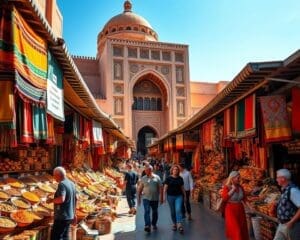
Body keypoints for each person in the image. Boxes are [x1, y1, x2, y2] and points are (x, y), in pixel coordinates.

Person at [51, 166, 77, 240]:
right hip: (69, 215)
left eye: (54, 176)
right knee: (65, 236)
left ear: (58, 175)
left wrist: (51, 200)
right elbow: (76, 198)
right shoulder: (72, 183)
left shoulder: (62, 184)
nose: (54, 178)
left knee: (56, 237)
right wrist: (74, 213)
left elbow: (62, 199)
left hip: (62, 216)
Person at [221, 171, 249, 240]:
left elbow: (244, 198)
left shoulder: (241, 187)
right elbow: (224, 198)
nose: (239, 179)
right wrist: (232, 190)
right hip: (231, 210)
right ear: (232, 178)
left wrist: (250, 207)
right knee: (236, 230)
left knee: (242, 229)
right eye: (238, 178)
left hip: (240, 210)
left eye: (239, 178)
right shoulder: (226, 187)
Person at [274, 169, 300, 240]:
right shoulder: (285, 189)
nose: (276, 180)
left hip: (291, 225)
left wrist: (291, 222)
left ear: (283, 178)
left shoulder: (293, 190)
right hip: (282, 224)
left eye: (277, 178)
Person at [138, 164, 163, 233]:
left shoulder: (157, 177)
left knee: (155, 212)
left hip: (155, 198)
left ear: (151, 170)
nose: (146, 171)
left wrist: (161, 198)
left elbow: (161, 188)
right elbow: (140, 188)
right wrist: (139, 198)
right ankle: (147, 225)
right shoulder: (143, 178)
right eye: (145, 170)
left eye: (147, 170)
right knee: (147, 211)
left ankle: (154, 224)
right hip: (146, 198)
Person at [163, 164, 186, 233]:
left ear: (178, 171)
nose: (175, 171)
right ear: (172, 171)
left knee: (178, 209)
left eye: (177, 170)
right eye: (174, 169)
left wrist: (185, 196)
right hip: (170, 197)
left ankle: (179, 224)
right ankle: (174, 223)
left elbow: (182, 188)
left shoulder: (180, 179)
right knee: (173, 211)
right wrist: (164, 197)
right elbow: (165, 188)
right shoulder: (168, 178)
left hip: (179, 196)